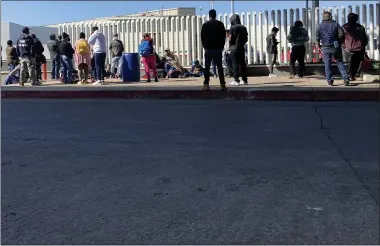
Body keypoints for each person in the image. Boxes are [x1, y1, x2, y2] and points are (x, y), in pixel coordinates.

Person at [316, 11, 349, 86]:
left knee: (327, 64)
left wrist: (318, 45)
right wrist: (339, 42)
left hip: (325, 47)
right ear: (330, 17)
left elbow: (317, 37)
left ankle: (329, 81)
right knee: (340, 62)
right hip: (335, 46)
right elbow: (341, 34)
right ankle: (345, 79)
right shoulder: (335, 24)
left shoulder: (320, 26)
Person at [201, 9, 226, 91]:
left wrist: (205, 46)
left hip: (208, 49)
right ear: (215, 15)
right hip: (218, 49)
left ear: (209, 15)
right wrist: (221, 46)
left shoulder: (205, 25)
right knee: (220, 67)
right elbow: (223, 37)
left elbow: (202, 38)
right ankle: (222, 85)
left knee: (207, 68)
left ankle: (206, 84)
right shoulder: (220, 24)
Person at [342, 13, 368, 82]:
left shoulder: (344, 27)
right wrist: (363, 45)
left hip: (348, 49)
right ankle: (355, 75)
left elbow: (340, 37)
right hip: (359, 48)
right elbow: (365, 38)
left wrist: (343, 45)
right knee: (357, 63)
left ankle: (349, 76)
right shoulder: (361, 27)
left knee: (349, 63)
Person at [228, 14, 248, 86]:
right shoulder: (244, 28)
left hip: (234, 48)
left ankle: (236, 80)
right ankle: (244, 80)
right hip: (241, 47)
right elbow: (246, 39)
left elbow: (230, 38)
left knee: (235, 64)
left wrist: (231, 45)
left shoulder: (232, 27)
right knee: (242, 64)